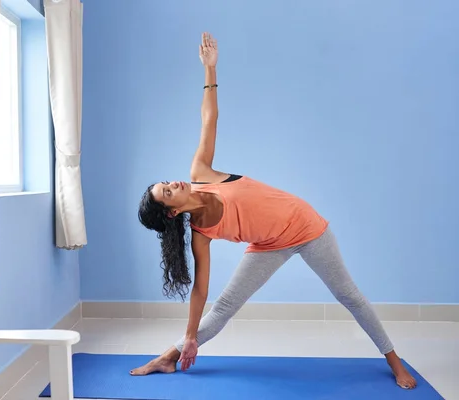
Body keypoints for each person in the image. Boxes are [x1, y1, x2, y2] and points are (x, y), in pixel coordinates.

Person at [134, 32, 417, 390]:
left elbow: (210, 120)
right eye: (167, 192)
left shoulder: (202, 174)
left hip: (307, 228)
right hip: (269, 244)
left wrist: (210, 69)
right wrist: (190, 335)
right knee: (223, 308)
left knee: (349, 296)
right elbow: (201, 293)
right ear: (172, 213)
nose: (173, 183)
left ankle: (394, 360)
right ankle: (168, 357)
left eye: (166, 182)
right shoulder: (201, 235)